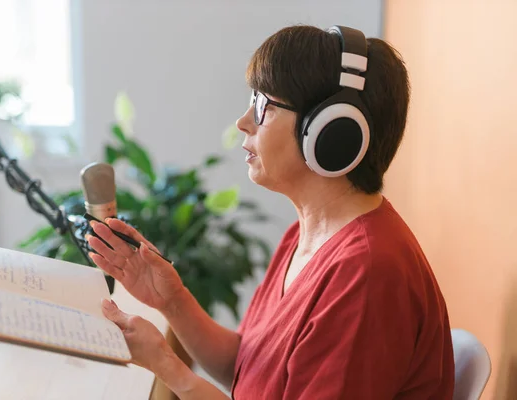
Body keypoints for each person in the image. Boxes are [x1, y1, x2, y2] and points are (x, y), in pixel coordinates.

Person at [87, 24, 455, 399]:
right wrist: (172, 300)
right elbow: (247, 369)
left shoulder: (368, 273)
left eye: (264, 105)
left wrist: (167, 367)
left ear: (332, 133)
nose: (243, 122)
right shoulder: (304, 236)